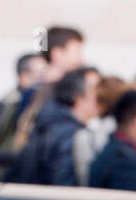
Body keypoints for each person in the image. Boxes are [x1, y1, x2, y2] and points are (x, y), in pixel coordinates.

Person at [6, 66, 100, 186]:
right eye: (97, 89)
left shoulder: (52, 125)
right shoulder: (68, 135)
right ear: (78, 97)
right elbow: (65, 189)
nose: (103, 93)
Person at [8, 25, 85, 153]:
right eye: (77, 51)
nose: (81, 59)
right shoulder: (43, 93)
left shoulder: (35, 90)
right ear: (57, 54)